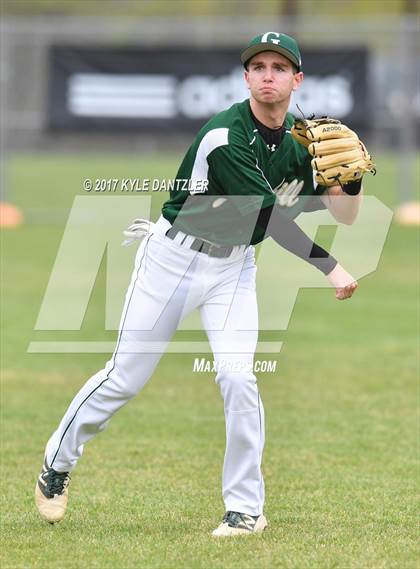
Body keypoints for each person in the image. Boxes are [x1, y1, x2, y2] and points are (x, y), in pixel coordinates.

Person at [35, 32, 366, 536]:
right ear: (246, 77)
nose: (269, 75)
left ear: (297, 79)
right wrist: (330, 267)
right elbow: (271, 216)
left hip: (232, 268)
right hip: (172, 261)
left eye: (280, 67)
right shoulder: (226, 135)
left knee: (238, 378)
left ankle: (245, 510)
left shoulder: (304, 138)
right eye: (259, 66)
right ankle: (56, 464)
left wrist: (352, 179)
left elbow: (344, 214)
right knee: (125, 378)